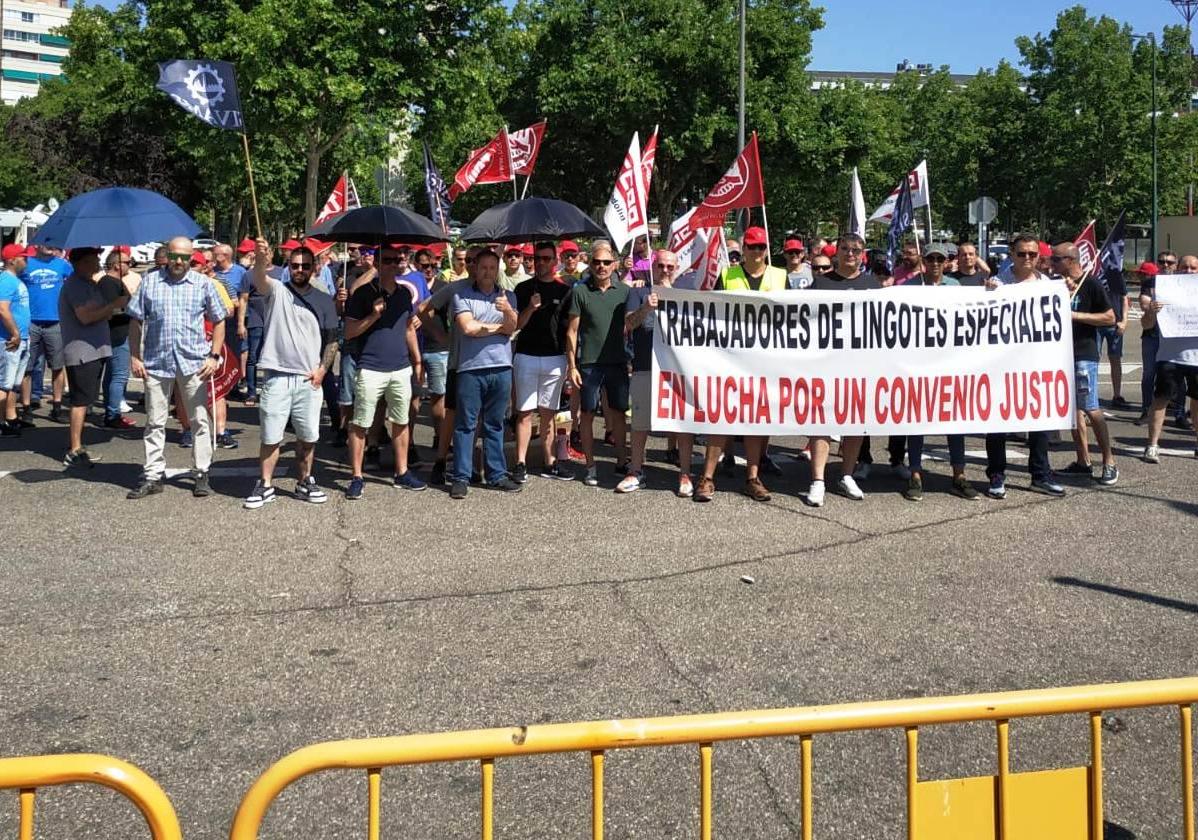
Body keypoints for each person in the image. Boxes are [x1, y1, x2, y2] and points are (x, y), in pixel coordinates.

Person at [126, 237, 228, 498]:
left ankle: (202, 472)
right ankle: (153, 475)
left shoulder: (202, 284)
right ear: (167, 256)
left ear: (191, 257)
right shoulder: (150, 281)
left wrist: (214, 356)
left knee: (199, 420)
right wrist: (135, 356)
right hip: (156, 363)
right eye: (174, 256)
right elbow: (136, 320)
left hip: (193, 362)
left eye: (184, 257)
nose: (179, 262)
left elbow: (219, 320)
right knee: (155, 421)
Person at [241, 240, 339, 509]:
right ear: (288, 267)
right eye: (294, 265)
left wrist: (322, 370)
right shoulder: (276, 291)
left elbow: (332, 338)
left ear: (314, 268)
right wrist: (262, 259)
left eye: (305, 266)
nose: (299, 270)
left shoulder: (323, 299)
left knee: (308, 437)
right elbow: (259, 277)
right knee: (270, 437)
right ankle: (265, 484)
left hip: (309, 379)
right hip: (277, 375)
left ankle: (305, 481)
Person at [693, 226, 788, 503]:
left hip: (766, 359)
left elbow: (795, 315)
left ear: (766, 250)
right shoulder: (727, 274)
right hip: (731, 357)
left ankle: (752, 477)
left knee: (756, 419)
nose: (756, 252)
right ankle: (708, 477)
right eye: (751, 247)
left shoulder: (779, 276)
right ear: (743, 249)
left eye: (761, 247)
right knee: (722, 415)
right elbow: (712, 311)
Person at [802, 233, 881, 507]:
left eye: (856, 250)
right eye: (845, 249)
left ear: (863, 254)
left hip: (860, 366)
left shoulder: (873, 286)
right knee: (822, 421)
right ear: (836, 254)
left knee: (855, 424)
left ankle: (846, 474)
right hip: (826, 364)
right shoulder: (820, 284)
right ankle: (818, 480)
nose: (850, 254)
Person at [983, 234, 1063, 499]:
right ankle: (996, 473)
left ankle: (1040, 474)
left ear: (1039, 257)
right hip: (1001, 365)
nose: (1027, 258)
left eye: (1032, 254)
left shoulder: (1049, 286)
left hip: (1037, 364)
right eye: (1021, 254)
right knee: (997, 421)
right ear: (1011, 255)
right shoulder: (998, 284)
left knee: (1039, 419)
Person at [343, 244, 425, 499]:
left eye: (397, 260)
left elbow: (409, 328)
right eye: (388, 260)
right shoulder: (362, 294)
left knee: (401, 421)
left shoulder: (403, 294)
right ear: (377, 263)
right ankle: (357, 476)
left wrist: (417, 360)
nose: (394, 264)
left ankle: (402, 472)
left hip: (400, 367)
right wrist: (373, 315)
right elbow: (349, 332)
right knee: (361, 424)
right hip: (370, 367)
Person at [897, 244, 979, 501]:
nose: (934, 263)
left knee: (955, 420)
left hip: (950, 363)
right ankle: (916, 474)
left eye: (939, 259)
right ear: (923, 260)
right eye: (930, 258)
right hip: (919, 364)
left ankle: (959, 475)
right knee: (917, 420)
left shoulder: (955, 286)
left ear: (946, 262)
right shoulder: (910, 287)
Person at [620, 249, 696, 496]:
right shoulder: (638, 291)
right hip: (645, 366)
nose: (665, 270)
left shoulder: (686, 295)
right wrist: (645, 308)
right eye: (661, 266)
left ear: (677, 269)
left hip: (678, 370)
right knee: (640, 424)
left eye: (670, 267)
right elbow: (628, 324)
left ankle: (685, 473)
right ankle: (635, 471)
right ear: (653, 266)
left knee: (682, 424)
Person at [450, 249, 521, 498]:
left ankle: (496, 475)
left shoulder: (508, 296)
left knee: (495, 424)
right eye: (483, 267)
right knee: (466, 425)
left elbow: (513, 328)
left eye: (492, 267)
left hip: (501, 367)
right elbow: (468, 328)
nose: (488, 272)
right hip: (471, 368)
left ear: (497, 269)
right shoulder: (462, 295)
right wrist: (498, 328)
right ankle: (461, 476)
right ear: (475, 268)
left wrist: (508, 312)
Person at [565, 241, 630, 486]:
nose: (601, 266)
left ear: (614, 264)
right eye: (596, 262)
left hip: (617, 361)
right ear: (589, 264)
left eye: (606, 262)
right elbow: (572, 331)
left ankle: (622, 461)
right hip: (589, 363)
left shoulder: (624, 291)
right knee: (588, 414)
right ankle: (590, 465)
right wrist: (572, 366)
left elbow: (632, 323)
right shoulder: (580, 291)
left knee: (619, 413)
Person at [1054, 242, 1118, 485]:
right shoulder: (1057, 284)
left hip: (1084, 353)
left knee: (1090, 407)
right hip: (1060, 355)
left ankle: (1109, 461)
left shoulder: (1090, 283)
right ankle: (1083, 461)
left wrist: (1076, 315)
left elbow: (1109, 317)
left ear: (1071, 260)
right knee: (1072, 412)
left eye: (1057, 259)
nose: (1053, 263)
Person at [58, 247, 126, 468]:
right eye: (92, 260)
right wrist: (112, 306)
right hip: (82, 351)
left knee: (86, 399)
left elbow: (100, 311)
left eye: (97, 259)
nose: (97, 264)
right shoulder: (75, 286)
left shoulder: (89, 283)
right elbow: (86, 317)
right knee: (80, 400)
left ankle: (78, 445)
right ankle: (74, 448)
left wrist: (113, 306)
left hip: (94, 350)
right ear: (79, 263)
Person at [513, 242, 573, 482]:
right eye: (537, 258)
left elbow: (571, 328)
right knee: (524, 413)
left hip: (555, 358)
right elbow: (516, 324)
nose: (541, 263)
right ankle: (520, 462)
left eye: (547, 258)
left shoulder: (565, 290)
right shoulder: (523, 288)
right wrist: (530, 307)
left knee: (549, 413)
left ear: (555, 261)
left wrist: (571, 362)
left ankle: (550, 461)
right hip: (526, 355)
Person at [1142, 259, 1198, 462]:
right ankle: (1152, 445)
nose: (1188, 270)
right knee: (1161, 399)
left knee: (1196, 402)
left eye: (1193, 268)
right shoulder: (1164, 292)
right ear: (1177, 268)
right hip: (1169, 356)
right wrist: (1151, 311)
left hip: (1196, 358)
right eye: (1184, 267)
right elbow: (1146, 325)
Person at [20, 243, 71, 423]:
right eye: (46, 242)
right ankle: (26, 409)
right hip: (31, 321)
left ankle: (57, 407)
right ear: (37, 245)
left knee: (57, 366)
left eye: (53, 242)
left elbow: (75, 283)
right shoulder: (27, 263)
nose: (50, 246)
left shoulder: (62, 264)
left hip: (55, 322)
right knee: (27, 367)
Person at [96, 248, 139, 429]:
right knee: (119, 375)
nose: (130, 265)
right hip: (117, 335)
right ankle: (113, 414)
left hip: (118, 333)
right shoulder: (108, 283)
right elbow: (108, 311)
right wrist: (126, 309)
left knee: (112, 375)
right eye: (127, 262)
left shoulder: (115, 282)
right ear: (116, 265)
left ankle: (111, 411)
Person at [0, 243, 31, 436]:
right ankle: (1, 422)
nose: (26, 260)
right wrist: (15, 333)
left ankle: (10, 418)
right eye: (23, 257)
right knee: (4, 383)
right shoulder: (6, 280)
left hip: (21, 339)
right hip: (10, 340)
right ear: (12, 260)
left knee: (13, 384)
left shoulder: (16, 280)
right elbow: (2, 308)